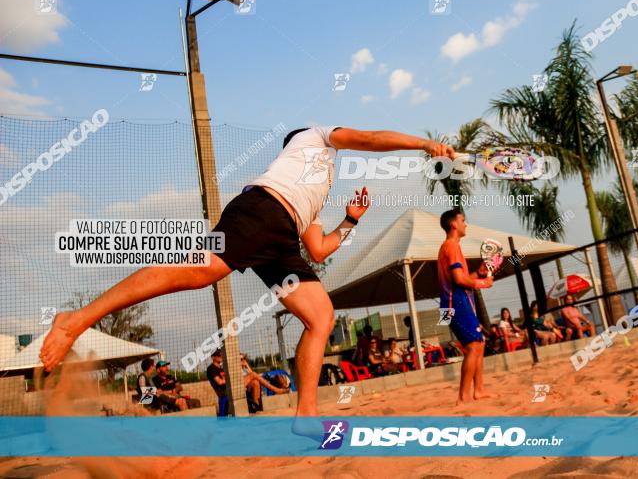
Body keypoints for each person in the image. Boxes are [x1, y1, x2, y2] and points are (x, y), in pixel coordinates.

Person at [39, 126, 455, 421]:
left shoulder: (317, 189)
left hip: (282, 238)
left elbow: (318, 248)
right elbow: (368, 139)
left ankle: (306, 412)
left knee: (320, 315)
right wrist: (423, 144)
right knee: (202, 271)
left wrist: (350, 221)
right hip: (261, 211)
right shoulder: (315, 136)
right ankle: (75, 320)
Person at [437, 209, 494, 404]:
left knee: (479, 343)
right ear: (454, 224)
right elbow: (459, 280)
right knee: (473, 346)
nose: (465, 224)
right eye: (463, 220)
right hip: (455, 303)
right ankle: (463, 396)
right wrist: (483, 283)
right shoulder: (451, 246)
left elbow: (460, 280)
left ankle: (479, 390)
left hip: (453, 303)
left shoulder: (450, 247)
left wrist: (478, 274)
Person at [206, 350, 229, 417]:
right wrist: (230, 381)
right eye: (219, 355)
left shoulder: (222, 368)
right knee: (252, 375)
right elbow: (220, 382)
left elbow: (224, 380)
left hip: (227, 390)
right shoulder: (211, 368)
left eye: (222, 355)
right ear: (213, 357)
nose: (221, 357)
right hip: (223, 393)